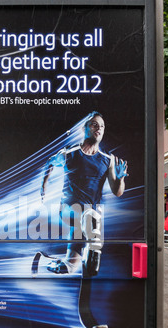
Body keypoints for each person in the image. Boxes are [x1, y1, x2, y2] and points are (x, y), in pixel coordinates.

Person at [41, 111, 128, 274]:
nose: (99, 129)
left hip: (89, 216)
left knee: (70, 267)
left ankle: (56, 264)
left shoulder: (107, 160)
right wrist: (43, 187)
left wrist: (121, 177)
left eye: (102, 126)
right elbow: (50, 163)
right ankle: (93, 249)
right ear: (85, 128)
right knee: (87, 215)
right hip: (68, 209)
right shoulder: (69, 153)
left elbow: (117, 191)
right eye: (95, 124)